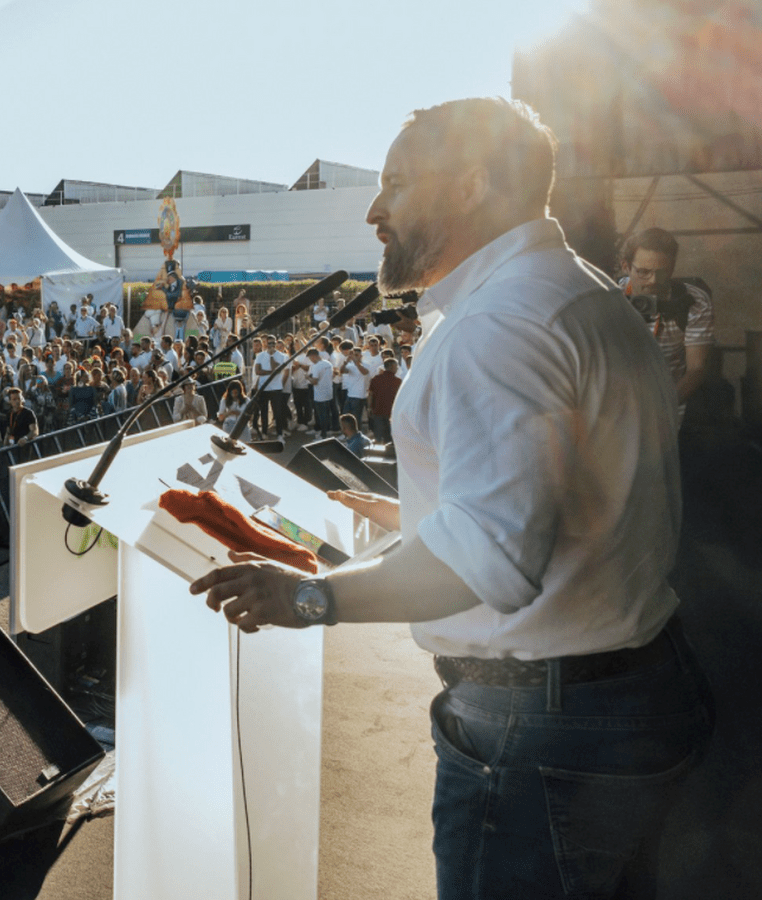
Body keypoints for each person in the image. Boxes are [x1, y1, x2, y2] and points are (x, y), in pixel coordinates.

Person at [188, 97, 710, 900]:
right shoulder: (576, 290)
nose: (372, 209)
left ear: (470, 185)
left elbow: (491, 559)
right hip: (627, 695)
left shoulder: (498, 324)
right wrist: (420, 518)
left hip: (542, 733)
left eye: (394, 182)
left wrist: (309, 598)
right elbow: (580, 492)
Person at [619, 226, 715, 424]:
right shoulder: (607, 298)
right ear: (625, 267)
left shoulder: (693, 301)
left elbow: (696, 369)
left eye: (662, 273)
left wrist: (660, 409)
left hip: (669, 408)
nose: (653, 281)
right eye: (643, 272)